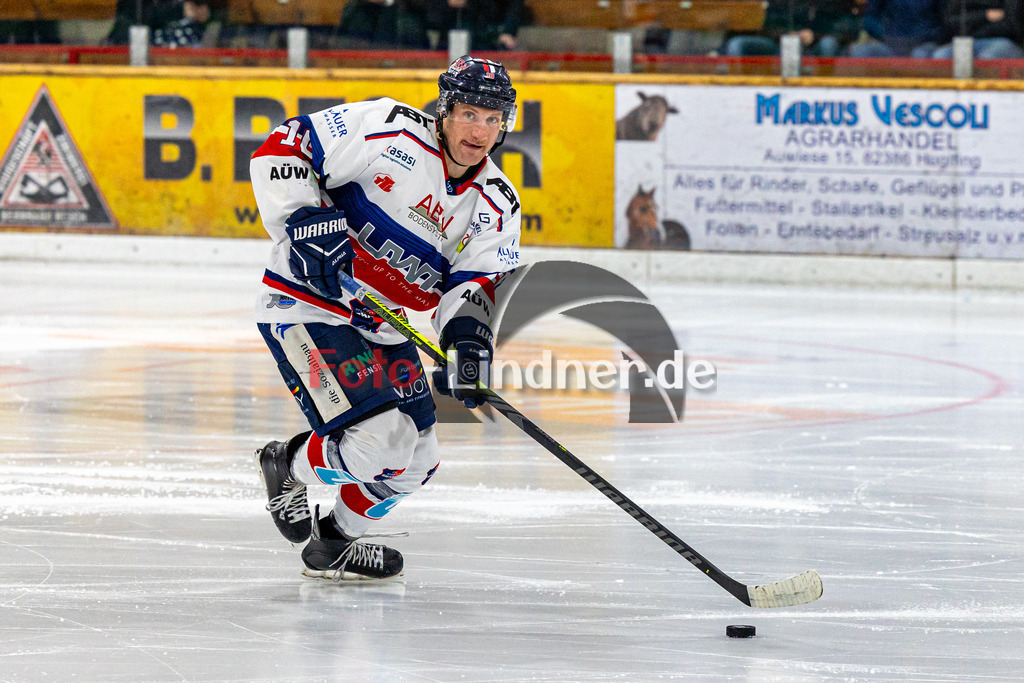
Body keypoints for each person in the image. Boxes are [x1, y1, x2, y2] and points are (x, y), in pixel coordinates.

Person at [249, 56, 521, 581]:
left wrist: (468, 342)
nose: (480, 130)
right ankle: (289, 464)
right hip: (308, 304)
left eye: (493, 119)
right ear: (445, 110)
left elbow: (478, 284)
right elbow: (284, 146)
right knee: (381, 442)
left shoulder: (496, 202)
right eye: (469, 113)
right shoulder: (386, 128)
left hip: (385, 328)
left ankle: (335, 543)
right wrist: (304, 219)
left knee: (417, 461)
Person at [722, 0, 860, 58]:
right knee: (737, 44)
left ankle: (827, 93)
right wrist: (787, 34)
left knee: (828, 45)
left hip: (818, 46)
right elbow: (768, 25)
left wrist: (815, 36)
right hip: (779, 44)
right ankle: (739, 95)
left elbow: (850, 25)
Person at [848, 0, 946, 57]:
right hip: (890, 44)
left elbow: (943, 20)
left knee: (920, 56)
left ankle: (919, 91)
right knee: (860, 51)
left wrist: (924, 37)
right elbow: (870, 17)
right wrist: (885, 35)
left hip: (923, 45)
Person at [929, 0, 1024, 59]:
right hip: (967, 40)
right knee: (942, 55)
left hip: (1002, 40)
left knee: (987, 59)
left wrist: (976, 27)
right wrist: (985, 16)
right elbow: (953, 19)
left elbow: (1012, 22)